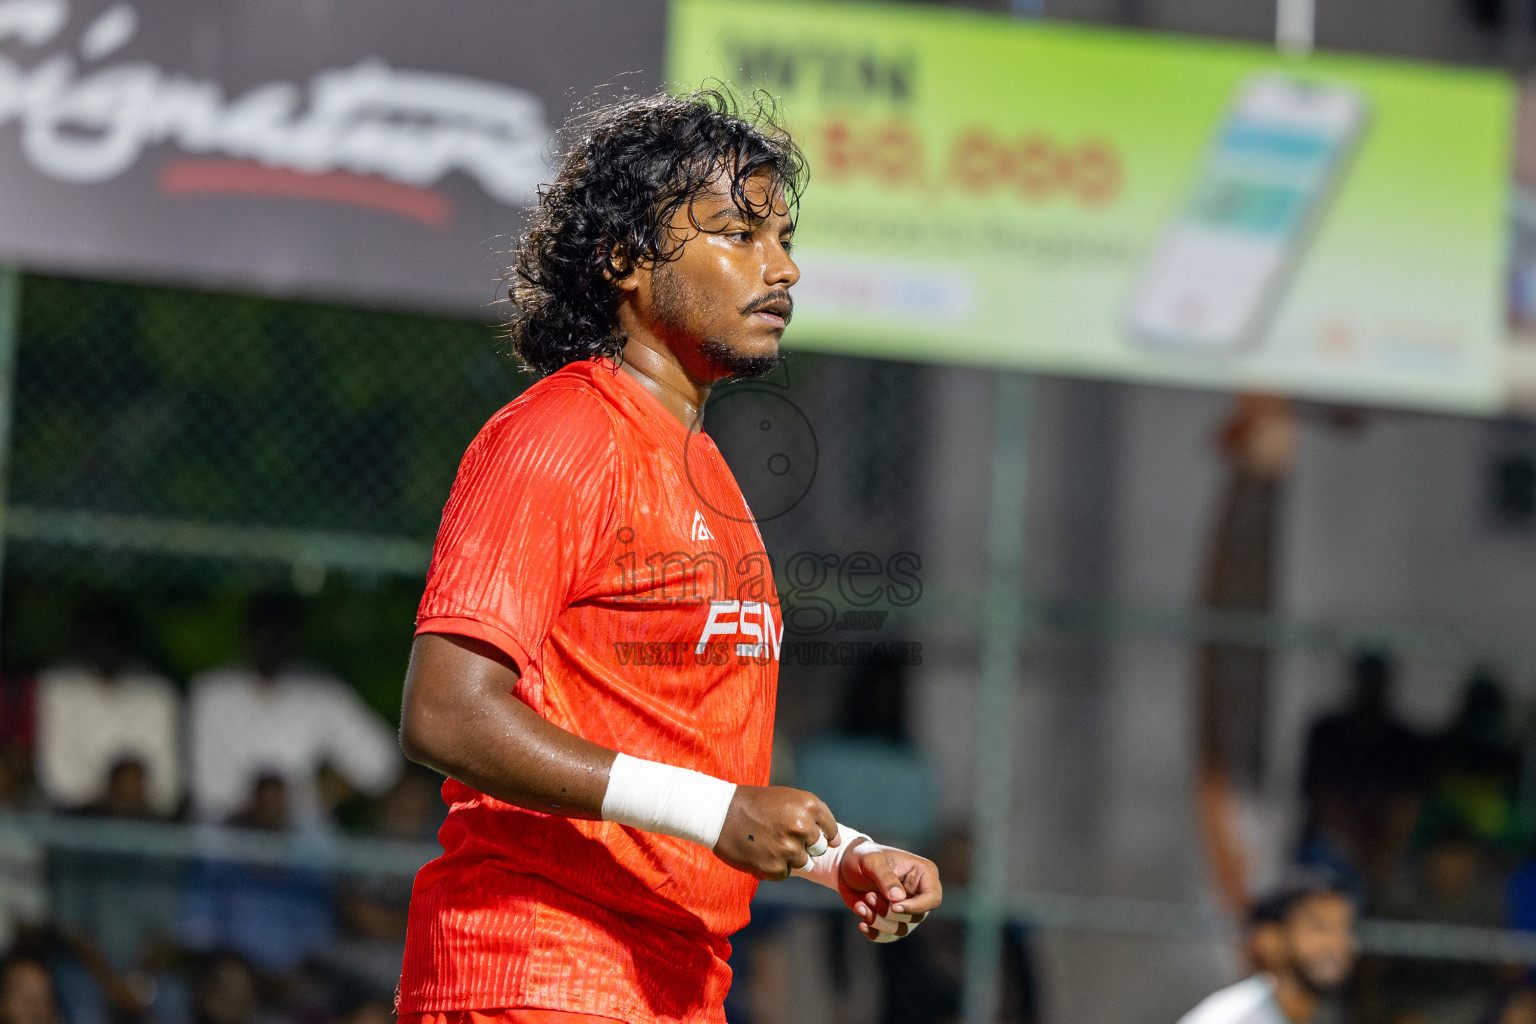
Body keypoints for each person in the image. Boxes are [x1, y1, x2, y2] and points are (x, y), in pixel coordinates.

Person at [396, 89, 942, 1024]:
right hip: (536, 971)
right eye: (738, 233)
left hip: (673, 983)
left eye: (785, 236)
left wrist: (837, 854)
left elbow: (680, 760)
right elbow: (446, 713)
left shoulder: (708, 473)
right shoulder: (563, 433)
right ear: (625, 262)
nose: (783, 268)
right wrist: (718, 813)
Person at [188, 592, 401, 824]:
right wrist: (257, 810)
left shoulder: (318, 691)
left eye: (280, 632)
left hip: (296, 828)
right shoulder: (212, 692)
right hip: (227, 827)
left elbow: (382, 760)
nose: (270, 640)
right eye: (263, 630)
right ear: (248, 632)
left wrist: (321, 794)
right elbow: (205, 790)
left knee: (315, 839)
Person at [34, 601, 182, 815]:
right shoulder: (58, 687)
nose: (105, 645)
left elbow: (166, 787)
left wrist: (129, 792)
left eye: (113, 636)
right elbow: (57, 781)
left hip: (143, 818)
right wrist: (108, 793)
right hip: (74, 817)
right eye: (97, 636)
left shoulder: (156, 693)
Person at [1176, 875, 1356, 1024]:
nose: (1337, 943)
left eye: (1345, 928)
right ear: (1268, 939)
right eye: (1319, 927)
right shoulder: (1230, 1017)